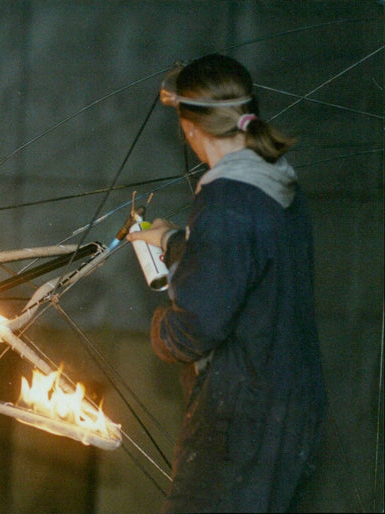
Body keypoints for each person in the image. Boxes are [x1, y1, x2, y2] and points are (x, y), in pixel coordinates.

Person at [127, 54, 326, 512]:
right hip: (286, 407)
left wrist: (158, 330)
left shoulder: (226, 203)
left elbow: (196, 328)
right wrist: (176, 242)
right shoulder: (274, 181)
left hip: (241, 418)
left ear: (190, 127)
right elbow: (251, 264)